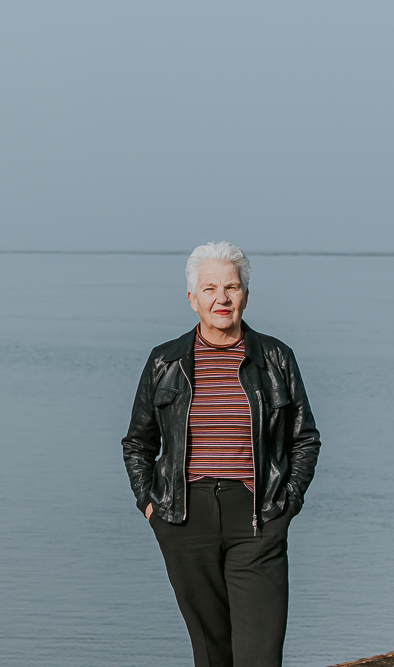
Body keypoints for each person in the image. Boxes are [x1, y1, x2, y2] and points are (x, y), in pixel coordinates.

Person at [122, 241, 321, 667]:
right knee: (213, 654)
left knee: (260, 655)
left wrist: (288, 503)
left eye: (231, 287)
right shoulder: (165, 361)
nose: (222, 298)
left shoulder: (275, 358)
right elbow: (138, 443)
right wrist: (150, 506)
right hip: (184, 519)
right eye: (210, 289)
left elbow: (304, 439)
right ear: (193, 299)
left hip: (258, 517)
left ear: (245, 295)